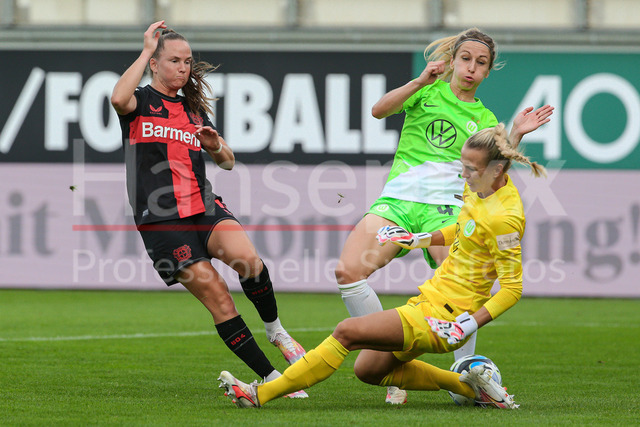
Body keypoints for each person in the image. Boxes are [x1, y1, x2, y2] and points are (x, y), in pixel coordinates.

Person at [218, 123, 544, 410]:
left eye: (470, 169)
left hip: (447, 317)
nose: (463, 175)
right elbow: (462, 228)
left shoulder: (505, 218)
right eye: (463, 165)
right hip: (431, 301)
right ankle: (472, 389)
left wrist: (467, 324)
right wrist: (418, 239)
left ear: (495, 170)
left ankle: (260, 394)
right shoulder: (481, 188)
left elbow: (512, 289)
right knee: (369, 370)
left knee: (347, 331)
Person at [333, 27, 553, 404]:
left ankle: (465, 376)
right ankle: (388, 366)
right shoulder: (426, 91)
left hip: (447, 208)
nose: (471, 68)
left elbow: (495, 169)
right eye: (465, 59)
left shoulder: (484, 118)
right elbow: (378, 110)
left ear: (487, 71)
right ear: (452, 61)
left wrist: (516, 134)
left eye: (480, 63)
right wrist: (420, 80)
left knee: (465, 286)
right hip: (398, 201)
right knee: (348, 272)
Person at [110, 21, 306, 396]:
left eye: (187, 61)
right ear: (155, 64)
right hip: (160, 222)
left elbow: (228, 162)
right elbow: (118, 99)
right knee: (219, 299)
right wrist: (146, 48)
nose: (183, 68)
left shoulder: (194, 110)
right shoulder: (140, 102)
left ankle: (276, 331)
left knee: (249, 261)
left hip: (203, 205)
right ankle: (272, 378)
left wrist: (215, 145)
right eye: (174, 61)